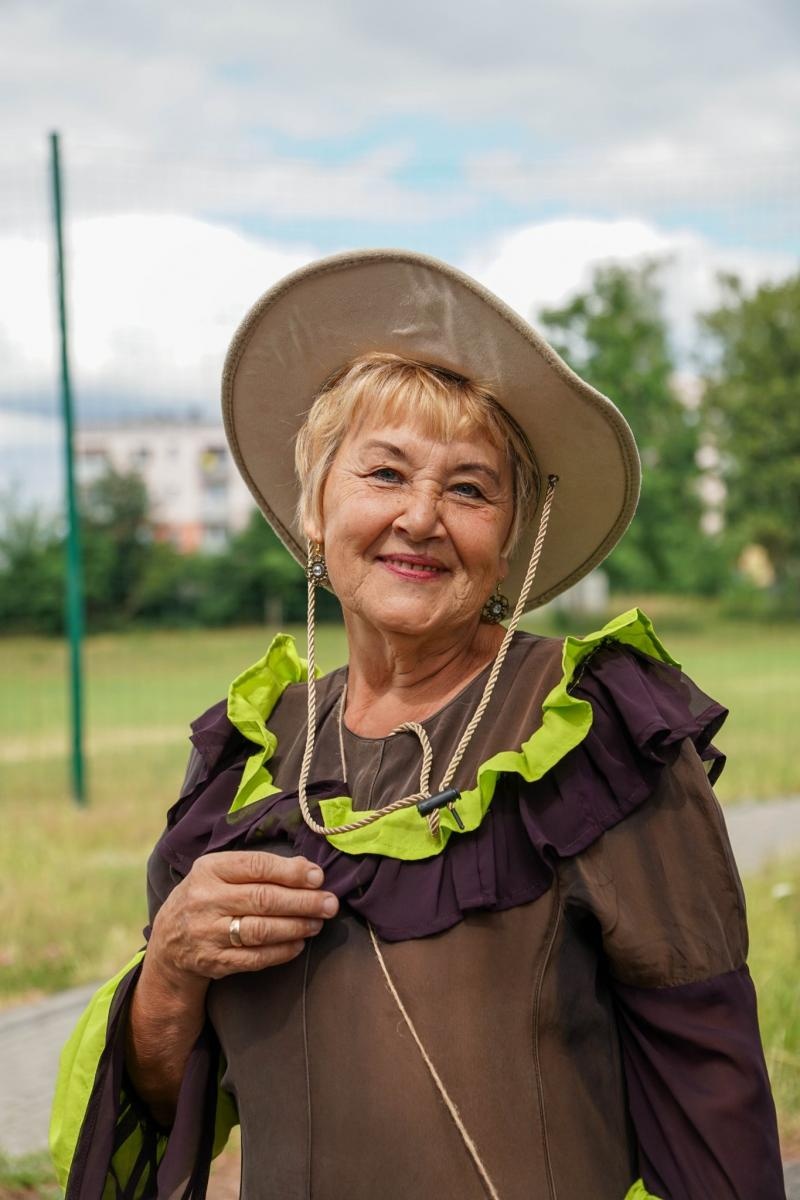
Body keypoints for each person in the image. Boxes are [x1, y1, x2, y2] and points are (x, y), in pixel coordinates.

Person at [50, 249, 785, 1200]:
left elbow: (710, 1092)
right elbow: (159, 1100)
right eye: (385, 473)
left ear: (511, 535)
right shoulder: (250, 759)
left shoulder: (589, 729)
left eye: (471, 489)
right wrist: (172, 968)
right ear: (315, 509)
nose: (423, 517)